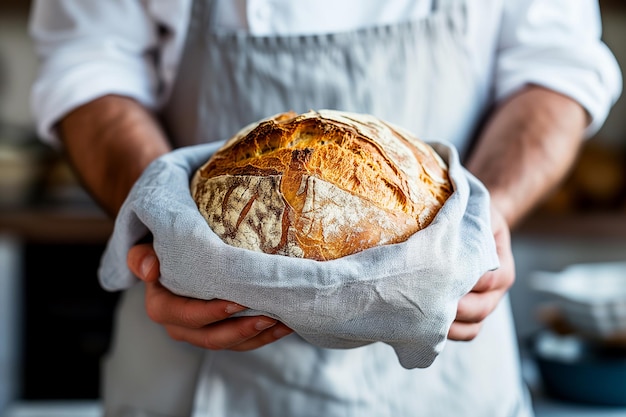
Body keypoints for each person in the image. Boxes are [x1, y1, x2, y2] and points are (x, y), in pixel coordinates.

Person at [29, 1, 621, 416]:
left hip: (443, 370)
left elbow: (554, 66)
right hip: (193, 355)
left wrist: (482, 226)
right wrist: (169, 232)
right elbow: (87, 63)